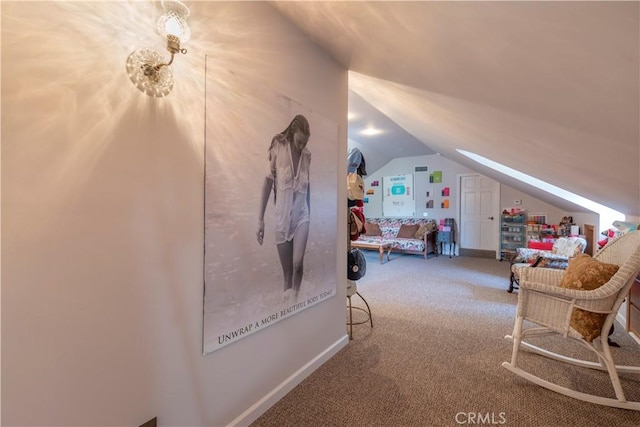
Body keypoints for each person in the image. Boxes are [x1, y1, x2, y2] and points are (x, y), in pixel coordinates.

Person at [257, 115, 311, 302]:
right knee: (287, 274)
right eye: (299, 141)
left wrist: (309, 211)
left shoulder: (307, 156)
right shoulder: (278, 147)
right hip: (281, 219)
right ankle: (289, 308)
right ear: (292, 134)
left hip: (301, 216)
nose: (302, 146)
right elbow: (267, 182)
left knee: (297, 264)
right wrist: (260, 219)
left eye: (305, 142)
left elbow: (308, 187)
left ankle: (296, 300)